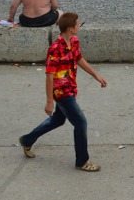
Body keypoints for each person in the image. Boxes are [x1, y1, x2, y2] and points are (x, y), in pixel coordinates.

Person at [18, 12, 107, 172]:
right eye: (77, 24)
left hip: (71, 87)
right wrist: (49, 101)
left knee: (58, 120)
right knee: (80, 122)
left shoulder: (74, 41)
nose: (79, 26)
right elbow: (49, 76)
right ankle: (82, 161)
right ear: (70, 28)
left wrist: (95, 75)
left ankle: (27, 140)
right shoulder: (55, 49)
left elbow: (79, 59)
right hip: (61, 92)